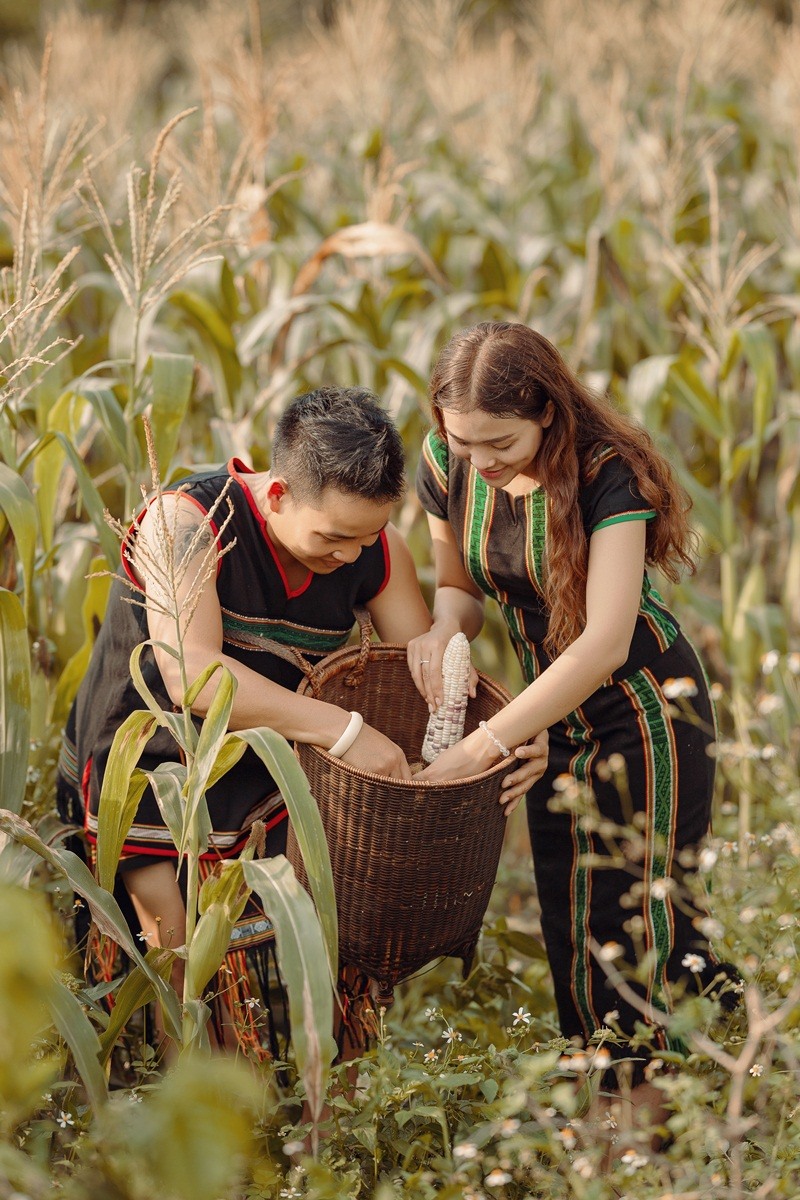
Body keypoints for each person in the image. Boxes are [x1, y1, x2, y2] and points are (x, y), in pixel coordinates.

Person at [56, 385, 547, 1061]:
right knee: (173, 946)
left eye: (367, 536)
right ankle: (185, 1120)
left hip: (271, 765)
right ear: (279, 493)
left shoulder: (374, 551)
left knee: (324, 928)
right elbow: (192, 676)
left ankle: (323, 1106)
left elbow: (416, 682)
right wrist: (345, 730)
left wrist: (508, 734)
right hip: (149, 773)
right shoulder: (187, 525)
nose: (348, 556)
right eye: (333, 537)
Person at [409, 322, 737, 1144]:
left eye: (499, 442)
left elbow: (603, 644)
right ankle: (660, 1099)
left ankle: (640, 1140)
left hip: (645, 716)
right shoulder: (449, 463)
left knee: (640, 927)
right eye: (463, 442)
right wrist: (441, 637)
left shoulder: (605, 475)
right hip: (553, 719)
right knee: (575, 918)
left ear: (547, 415)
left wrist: (483, 747)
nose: (479, 461)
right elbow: (458, 589)